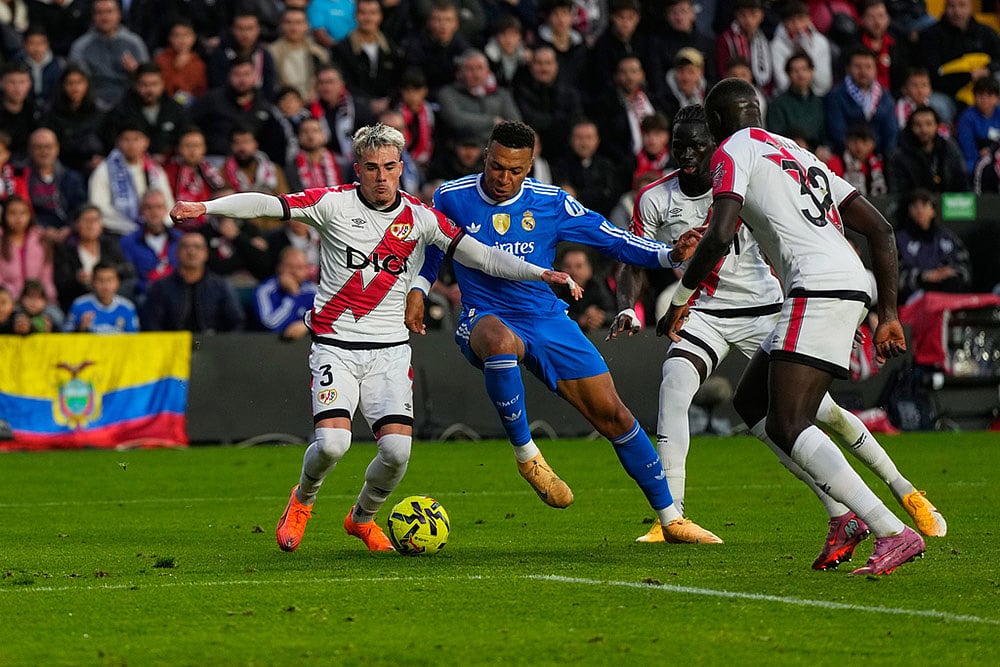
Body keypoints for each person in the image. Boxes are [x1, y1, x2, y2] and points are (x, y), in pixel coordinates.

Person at [168, 122, 579, 554]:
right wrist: (205, 207)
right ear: (357, 169)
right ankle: (303, 499)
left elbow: (483, 256)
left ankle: (361, 519)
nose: (381, 177)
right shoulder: (331, 204)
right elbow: (266, 204)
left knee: (398, 452)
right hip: (336, 346)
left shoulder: (421, 218)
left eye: (388, 167)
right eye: (371, 168)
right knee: (332, 444)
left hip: (389, 351)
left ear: (401, 167)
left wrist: (541, 273)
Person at [612, 104, 948, 559]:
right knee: (684, 386)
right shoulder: (657, 196)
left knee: (816, 414)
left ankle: (901, 491)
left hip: (769, 305)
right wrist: (632, 305)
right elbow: (634, 255)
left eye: (697, 145)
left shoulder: (744, 168)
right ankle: (672, 515)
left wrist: (830, 306)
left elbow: (767, 236)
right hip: (709, 310)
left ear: (716, 140)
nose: (687, 154)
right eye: (679, 146)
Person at [405, 120, 720, 544]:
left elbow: (612, 240)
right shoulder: (452, 195)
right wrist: (419, 289)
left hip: (546, 318)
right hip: (484, 313)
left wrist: (668, 255)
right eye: (497, 167)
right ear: (486, 157)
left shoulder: (551, 202)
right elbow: (431, 244)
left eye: (515, 171)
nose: (503, 178)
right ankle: (527, 456)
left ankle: (671, 518)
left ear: (530, 166)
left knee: (616, 416)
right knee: (498, 343)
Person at [141, 231, 245, 333]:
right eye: (185, 246)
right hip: (172, 346)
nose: (191, 252)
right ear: (176, 252)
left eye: (197, 247)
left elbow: (236, 323)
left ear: (206, 253)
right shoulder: (160, 287)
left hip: (211, 346)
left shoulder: (221, 287)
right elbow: (152, 325)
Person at [88, 124, 174, 236]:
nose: (132, 145)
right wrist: (132, 227)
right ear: (118, 143)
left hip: (155, 231)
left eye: (136, 139)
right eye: (126, 140)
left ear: (146, 142)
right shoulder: (104, 170)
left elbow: (169, 204)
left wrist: (159, 225)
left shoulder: (155, 171)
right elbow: (99, 207)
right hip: (117, 233)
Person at [894, 188, 972, 304]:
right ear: (909, 210)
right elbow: (895, 278)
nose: (919, 210)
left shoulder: (948, 237)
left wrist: (951, 272)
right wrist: (924, 276)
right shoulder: (899, 239)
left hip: (948, 293)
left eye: (924, 204)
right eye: (914, 206)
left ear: (933, 210)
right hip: (916, 296)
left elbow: (966, 270)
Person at [67, 0, 149, 110]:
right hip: (92, 104)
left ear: (119, 14)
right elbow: (76, 81)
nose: (104, 17)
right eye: (99, 13)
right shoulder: (81, 46)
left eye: (109, 12)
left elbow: (148, 78)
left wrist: (136, 71)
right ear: (93, 16)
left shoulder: (135, 43)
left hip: (130, 103)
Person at [53, 204, 135, 313]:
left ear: (101, 225)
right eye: (86, 220)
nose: (91, 225)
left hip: (112, 296)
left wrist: (107, 274)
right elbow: (61, 282)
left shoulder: (109, 245)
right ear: (77, 225)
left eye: (95, 220)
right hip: (80, 297)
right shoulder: (66, 250)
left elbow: (128, 269)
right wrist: (77, 279)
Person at [887, 105, 968, 193]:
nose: (923, 130)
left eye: (929, 124)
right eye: (918, 125)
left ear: (937, 126)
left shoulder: (949, 148)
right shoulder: (899, 155)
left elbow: (962, 182)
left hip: (948, 203)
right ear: (910, 127)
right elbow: (898, 191)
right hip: (914, 204)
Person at [0, 195, 56, 303]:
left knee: (56, 317)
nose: (18, 218)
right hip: (7, 301)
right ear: (4, 216)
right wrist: (16, 297)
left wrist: (46, 299)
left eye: (23, 213)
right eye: (12, 213)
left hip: (38, 300)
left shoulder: (41, 240)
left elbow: (46, 278)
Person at [254, 246, 317, 339]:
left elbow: (329, 320)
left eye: (300, 267)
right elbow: (271, 325)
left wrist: (306, 326)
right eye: (290, 267)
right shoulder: (265, 291)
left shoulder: (314, 291)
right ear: (279, 267)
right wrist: (293, 295)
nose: (294, 272)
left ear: (307, 270)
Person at [64, 261, 139, 333]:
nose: (105, 286)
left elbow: (135, 339)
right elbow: (65, 337)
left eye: (110, 280)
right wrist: (81, 329)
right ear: (92, 282)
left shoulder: (127, 307)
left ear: (117, 282)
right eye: (100, 280)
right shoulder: (79, 305)